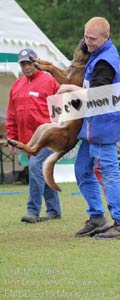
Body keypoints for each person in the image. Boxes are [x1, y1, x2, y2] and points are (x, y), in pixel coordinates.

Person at [57, 17, 120, 239]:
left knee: (107, 175)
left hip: (102, 129)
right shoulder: (97, 52)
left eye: (92, 39)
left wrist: (71, 87)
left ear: (105, 37)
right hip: (92, 128)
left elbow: (98, 95)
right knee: (82, 170)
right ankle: (97, 218)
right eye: (86, 37)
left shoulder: (105, 62)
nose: (87, 43)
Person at [6, 48, 61, 223]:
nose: (27, 66)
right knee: (42, 170)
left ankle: (32, 211)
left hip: (47, 137)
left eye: (29, 63)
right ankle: (54, 211)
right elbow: (12, 115)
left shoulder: (49, 81)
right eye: (23, 63)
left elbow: (62, 106)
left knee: (35, 167)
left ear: (36, 62)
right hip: (27, 140)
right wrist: (12, 139)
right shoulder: (16, 85)